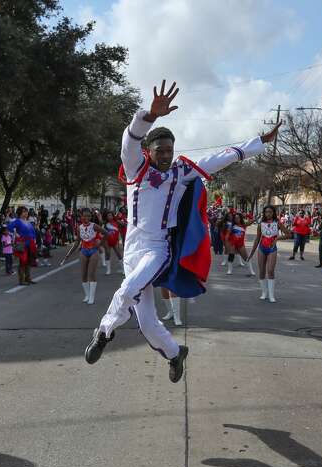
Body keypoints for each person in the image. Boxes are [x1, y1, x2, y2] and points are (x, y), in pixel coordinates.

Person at [84, 80, 279, 382]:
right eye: (160, 150)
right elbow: (128, 142)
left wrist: (259, 142)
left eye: (170, 151)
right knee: (147, 322)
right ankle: (175, 354)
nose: (165, 155)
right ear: (149, 151)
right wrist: (147, 115)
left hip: (158, 248)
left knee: (128, 290)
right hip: (133, 249)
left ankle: (104, 332)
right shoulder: (136, 169)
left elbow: (220, 158)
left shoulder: (181, 171)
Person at [60, 208, 104, 304]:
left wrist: (99, 244)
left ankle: (92, 297)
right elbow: (77, 243)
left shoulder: (94, 226)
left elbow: (107, 234)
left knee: (91, 274)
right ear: (81, 216)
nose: (86, 217)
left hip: (93, 251)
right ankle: (87, 295)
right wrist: (68, 255)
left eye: (88, 216)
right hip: (84, 251)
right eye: (84, 216)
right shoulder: (79, 227)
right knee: (83, 275)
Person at [248, 206, 285, 302]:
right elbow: (257, 239)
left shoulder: (278, 223)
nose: (268, 214)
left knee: (270, 270)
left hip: (272, 249)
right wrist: (251, 253)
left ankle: (271, 295)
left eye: (270, 212)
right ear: (264, 213)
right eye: (266, 212)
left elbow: (289, 234)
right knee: (261, 271)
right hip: (261, 248)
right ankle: (264, 292)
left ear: (273, 213)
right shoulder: (261, 224)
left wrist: (277, 239)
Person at [8, 206, 37, 285]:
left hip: (30, 243)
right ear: (20, 213)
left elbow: (33, 232)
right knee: (22, 261)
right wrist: (15, 233)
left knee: (28, 261)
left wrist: (34, 240)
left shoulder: (28, 222)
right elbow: (9, 227)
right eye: (24, 212)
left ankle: (28, 278)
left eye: (26, 212)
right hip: (22, 243)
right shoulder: (17, 221)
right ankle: (22, 280)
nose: (26, 213)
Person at [102, 211, 124, 275]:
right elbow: (102, 232)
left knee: (118, 254)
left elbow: (123, 225)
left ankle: (123, 269)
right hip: (107, 240)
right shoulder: (105, 224)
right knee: (108, 254)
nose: (110, 217)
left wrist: (118, 219)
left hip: (115, 241)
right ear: (106, 217)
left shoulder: (116, 222)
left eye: (111, 215)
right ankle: (108, 270)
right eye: (108, 216)